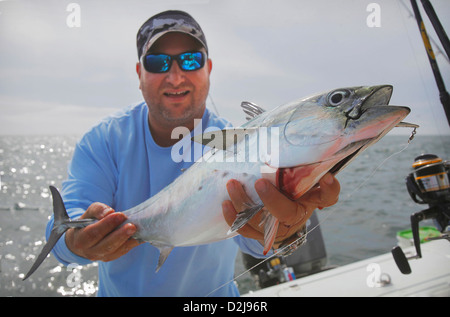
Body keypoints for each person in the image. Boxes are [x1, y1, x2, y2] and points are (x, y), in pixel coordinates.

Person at [46, 10, 340, 296]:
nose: (175, 77)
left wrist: (284, 231)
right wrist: (77, 243)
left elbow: (254, 242)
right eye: (158, 62)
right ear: (139, 74)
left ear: (208, 69)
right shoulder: (104, 140)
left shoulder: (241, 143)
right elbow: (63, 235)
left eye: (190, 60)